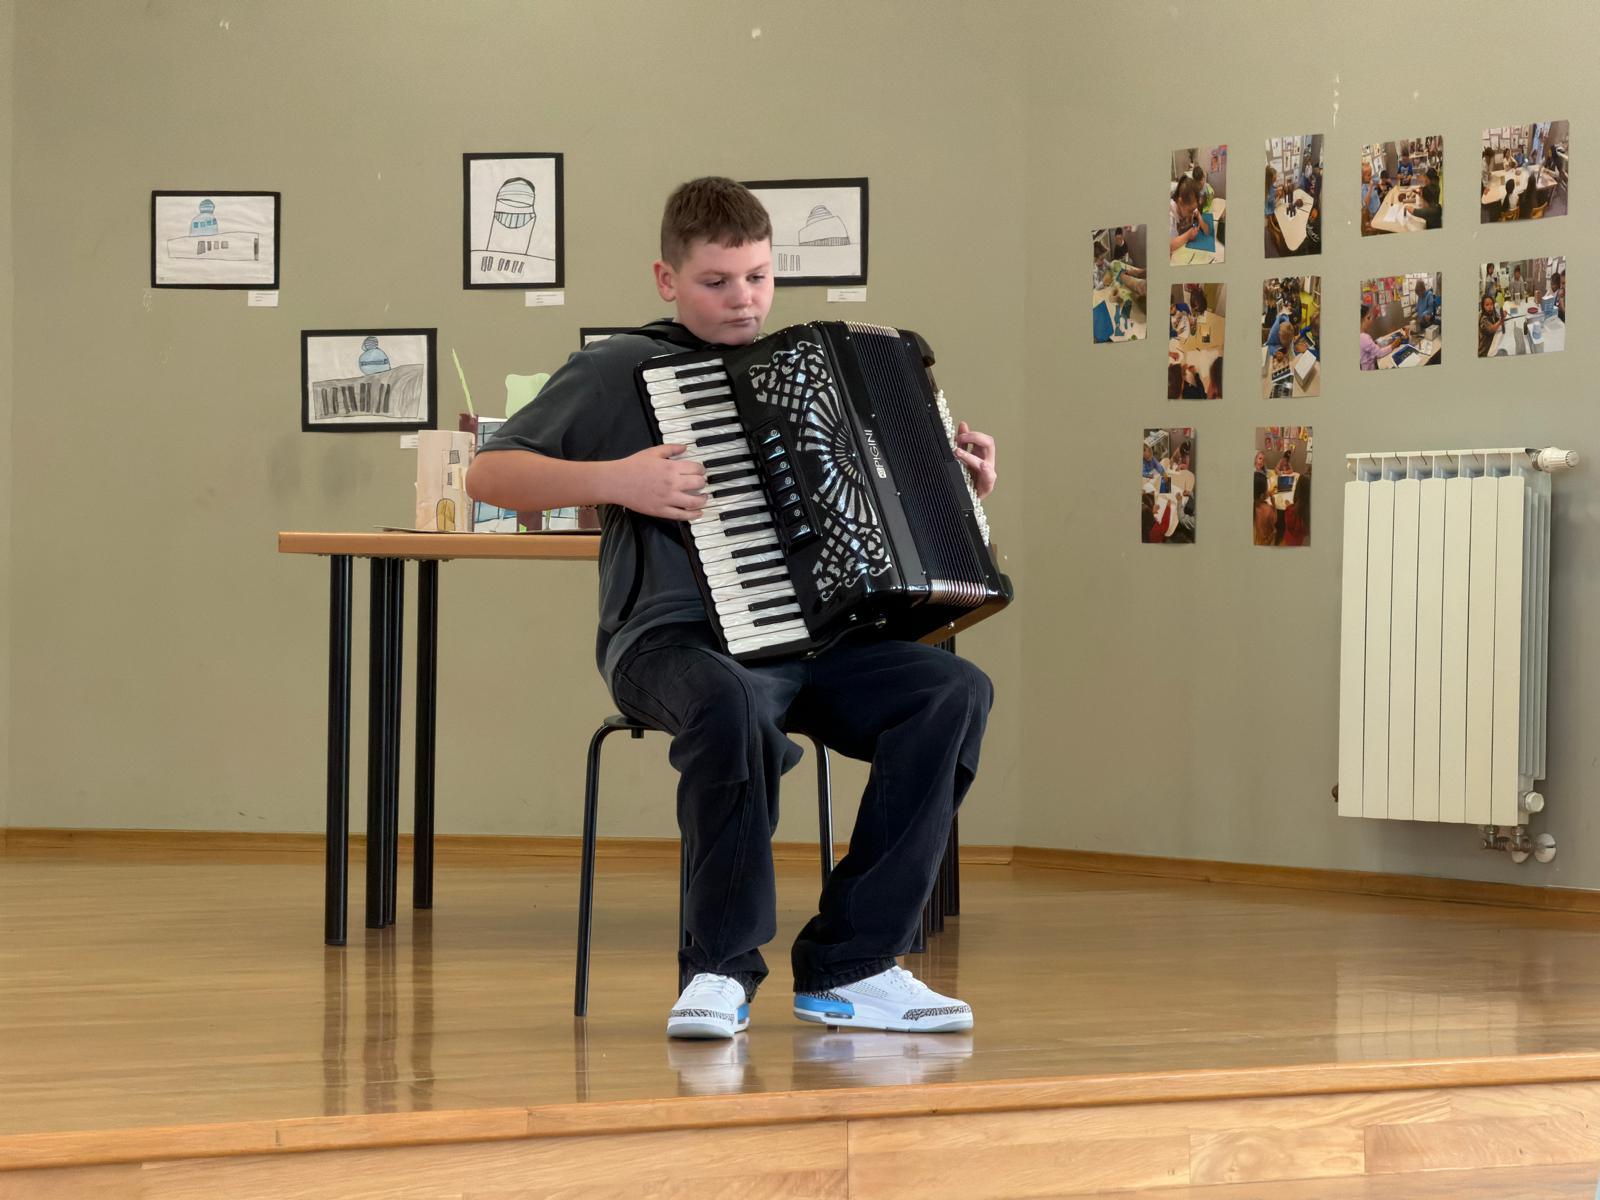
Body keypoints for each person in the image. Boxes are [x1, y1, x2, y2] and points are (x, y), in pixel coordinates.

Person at [466, 177, 996, 1040]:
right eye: (716, 281)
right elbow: (490, 474)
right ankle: (718, 970)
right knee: (730, 702)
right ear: (667, 279)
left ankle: (854, 965)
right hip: (671, 643)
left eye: (758, 277)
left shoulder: (807, 369)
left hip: (810, 642)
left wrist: (953, 483)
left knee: (951, 691)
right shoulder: (618, 367)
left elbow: (873, 504)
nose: (742, 299)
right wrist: (618, 480)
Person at [1359, 303, 1405, 370]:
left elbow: (1369, 348)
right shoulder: (1364, 337)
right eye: (1368, 318)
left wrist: (1377, 344)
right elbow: (1379, 353)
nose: (1371, 320)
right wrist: (1394, 345)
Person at [1169, 176, 1204, 257]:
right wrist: (1188, 235)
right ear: (1180, 202)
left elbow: (1194, 209)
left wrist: (1197, 216)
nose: (1192, 213)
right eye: (1190, 211)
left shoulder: (1185, 207)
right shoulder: (1170, 215)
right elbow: (1169, 245)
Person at [1282, 473, 1311, 547]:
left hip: (1291, 540)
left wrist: (1288, 506)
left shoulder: (1292, 512)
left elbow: (1288, 522)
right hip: (1302, 541)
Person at [1478, 292, 1504, 357]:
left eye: (1491, 304)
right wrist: (1501, 319)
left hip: (1491, 344)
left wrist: (1502, 315)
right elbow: (1492, 329)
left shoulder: (1491, 312)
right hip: (1485, 352)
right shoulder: (1483, 319)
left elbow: (1496, 319)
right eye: (1487, 305)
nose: (1490, 307)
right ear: (1483, 306)